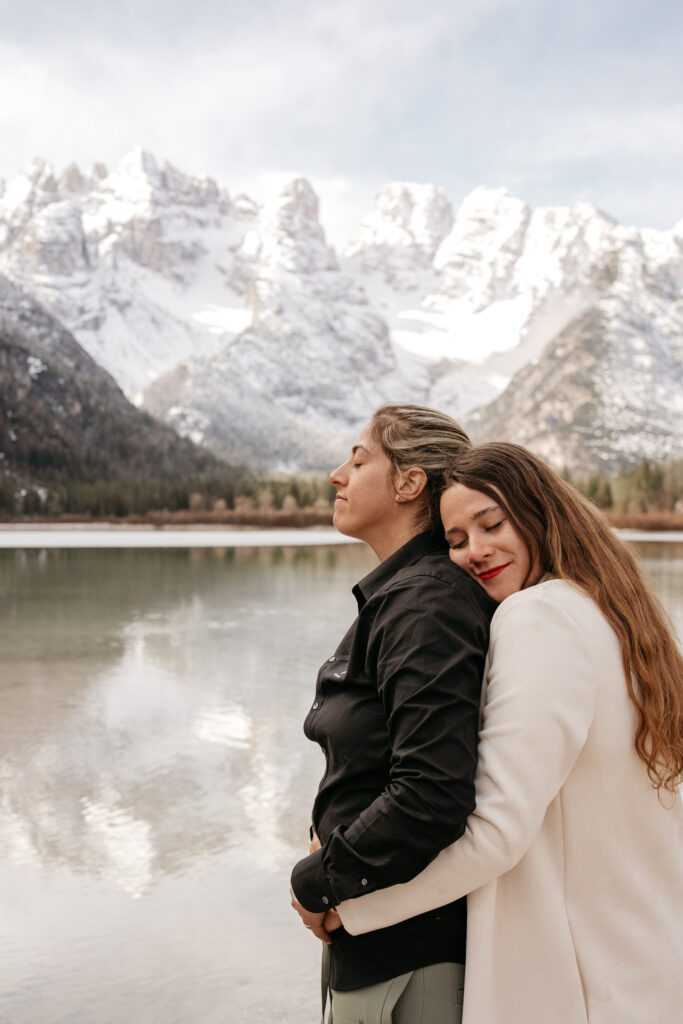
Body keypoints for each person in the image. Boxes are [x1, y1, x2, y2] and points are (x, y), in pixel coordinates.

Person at [330, 442, 683, 1024]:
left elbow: (495, 831)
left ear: (541, 514)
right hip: (644, 969)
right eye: (456, 540)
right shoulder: (619, 620)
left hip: (576, 985)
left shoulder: (537, 617)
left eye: (491, 524)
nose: (475, 552)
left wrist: (353, 904)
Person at [289, 404, 497, 1023]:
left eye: (358, 460)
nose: (337, 475)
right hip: (379, 940)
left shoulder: (425, 604)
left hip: (409, 957)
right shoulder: (404, 596)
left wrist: (318, 880)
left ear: (409, 483)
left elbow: (432, 792)